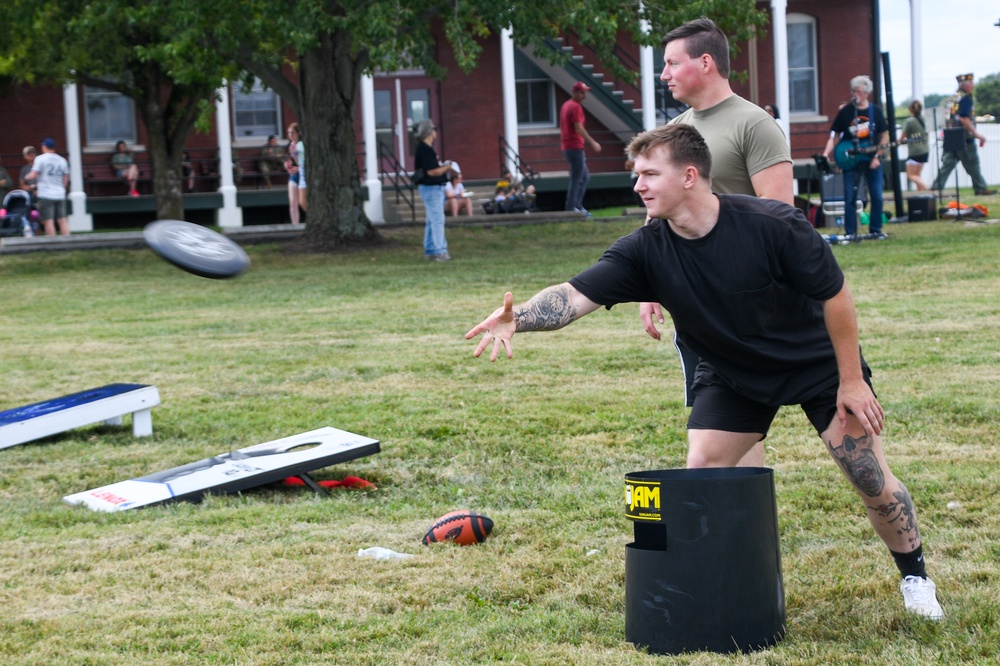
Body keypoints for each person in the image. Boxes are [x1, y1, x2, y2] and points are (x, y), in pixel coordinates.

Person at [466, 123, 945, 621]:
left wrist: (851, 380)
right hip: (733, 374)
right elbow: (572, 296)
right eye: (637, 174)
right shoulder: (644, 249)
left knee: (868, 477)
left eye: (650, 173)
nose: (638, 185)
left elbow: (835, 296)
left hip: (817, 365)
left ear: (690, 175)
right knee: (703, 474)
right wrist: (517, 318)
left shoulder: (773, 224)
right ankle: (729, 581)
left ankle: (915, 577)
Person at [642, 17, 794, 467]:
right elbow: (661, 209)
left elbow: (781, 216)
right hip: (696, 299)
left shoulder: (754, 124)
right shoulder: (676, 134)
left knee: (748, 410)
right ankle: (744, 526)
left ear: (705, 62)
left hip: (749, 301)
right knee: (728, 419)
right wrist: (649, 284)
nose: (664, 73)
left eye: (671, 63)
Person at [822, 75, 888, 239]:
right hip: (850, 160)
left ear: (866, 93)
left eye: (859, 91)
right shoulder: (846, 112)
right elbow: (836, 134)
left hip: (870, 158)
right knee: (849, 197)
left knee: (877, 196)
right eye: (853, 91)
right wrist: (838, 158)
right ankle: (850, 232)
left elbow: (885, 135)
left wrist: (877, 157)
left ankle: (875, 230)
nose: (855, 94)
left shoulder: (875, 111)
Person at [931, 74, 995, 196]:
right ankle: (980, 188)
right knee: (972, 162)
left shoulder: (953, 98)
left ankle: (936, 188)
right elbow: (964, 119)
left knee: (948, 163)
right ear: (964, 85)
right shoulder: (966, 98)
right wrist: (976, 134)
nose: (973, 85)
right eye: (971, 83)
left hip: (950, 135)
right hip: (964, 136)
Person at [413, 119, 453, 261]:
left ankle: (430, 250)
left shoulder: (426, 149)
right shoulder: (425, 149)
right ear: (428, 132)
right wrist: (448, 167)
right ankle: (440, 251)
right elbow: (432, 172)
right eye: (434, 128)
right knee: (437, 220)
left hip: (432, 188)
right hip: (431, 188)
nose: (436, 131)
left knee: (432, 219)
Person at [560, 81, 602, 215]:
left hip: (567, 147)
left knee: (584, 177)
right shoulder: (575, 107)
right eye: (582, 93)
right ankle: (572, 208)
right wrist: (593, 142)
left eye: (585, 93)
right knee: (577, 178)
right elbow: (579, 127)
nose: (584, 95)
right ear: (576, 92)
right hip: (574, 146)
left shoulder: (566, 105)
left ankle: (577, 206)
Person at [28, 138, 70, 236]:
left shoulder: (40, 158)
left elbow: (34, 174)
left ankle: (53, 244)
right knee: (62, 220)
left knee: (49, 221)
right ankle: (69, 242)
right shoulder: (62, 160)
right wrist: (63, 189)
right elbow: (66, 178)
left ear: (44, 146)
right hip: (60, 193)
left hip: (46, 194)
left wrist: (27, 176)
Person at [899, 100, 929, 191]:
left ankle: (927, 188)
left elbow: (902, 137)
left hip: (914, 152)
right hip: (925, 150)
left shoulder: (909, 121)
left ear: (910, 109)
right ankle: (920, 195)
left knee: (911, 175)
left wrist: (899, 142)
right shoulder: (923, 119)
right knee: (917, 175)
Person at [284, 123, 306, 224]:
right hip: (293, 175)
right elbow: (289, 160)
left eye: (292, 132)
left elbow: (302, 162)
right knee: (293, 202)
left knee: (303, 202)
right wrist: (287, 165)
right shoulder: (291, 146)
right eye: (289, 133)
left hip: (302, 174)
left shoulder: (301, 145)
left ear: (298, 133)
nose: (290, 135)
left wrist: (297, 167)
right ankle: (295, 224)